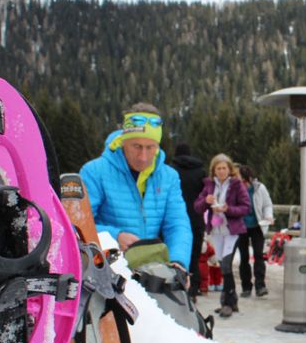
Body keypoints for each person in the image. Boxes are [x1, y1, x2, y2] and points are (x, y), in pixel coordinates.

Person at [80, 103, 192, 269]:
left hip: (150, 267)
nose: (143, 157)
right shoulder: (94, 172)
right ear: (124, 141)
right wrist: (115, 236)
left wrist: (178, 261)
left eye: (150, 147)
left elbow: (177, 224)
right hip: (105, 269)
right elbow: (78, 224)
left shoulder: (169, 177)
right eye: (137, 146)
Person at [194, 154, 250, 317]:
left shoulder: (237, 185)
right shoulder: (209, 185)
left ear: (229, 169)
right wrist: (206, 201)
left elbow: (246, 208)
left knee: (226, 265)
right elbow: (197, 206)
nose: (221, 171)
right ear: (214, 170)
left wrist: (228, 209)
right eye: (218, 168)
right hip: (216, 230)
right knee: (223, 266)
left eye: (224, 168)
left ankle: (227, 303)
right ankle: (232, 301)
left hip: (232, 230)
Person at [169, 142, 208, 297]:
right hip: (196, 216)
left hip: (176, 217)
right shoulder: (201, 171)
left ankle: (180, 285)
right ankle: (195, 286)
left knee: (178, 251)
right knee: (195, 254)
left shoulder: (171, 171)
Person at [236, 164, 275, 298]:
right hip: (241, 226)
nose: (244, 184)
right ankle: (246, 286)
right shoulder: (235, 190)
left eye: (245, 181)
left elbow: (267, 204)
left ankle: (260, 285)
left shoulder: (260, 188)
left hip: (257, 226)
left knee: (259, 255)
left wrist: (268, 215)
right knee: (244, 257)